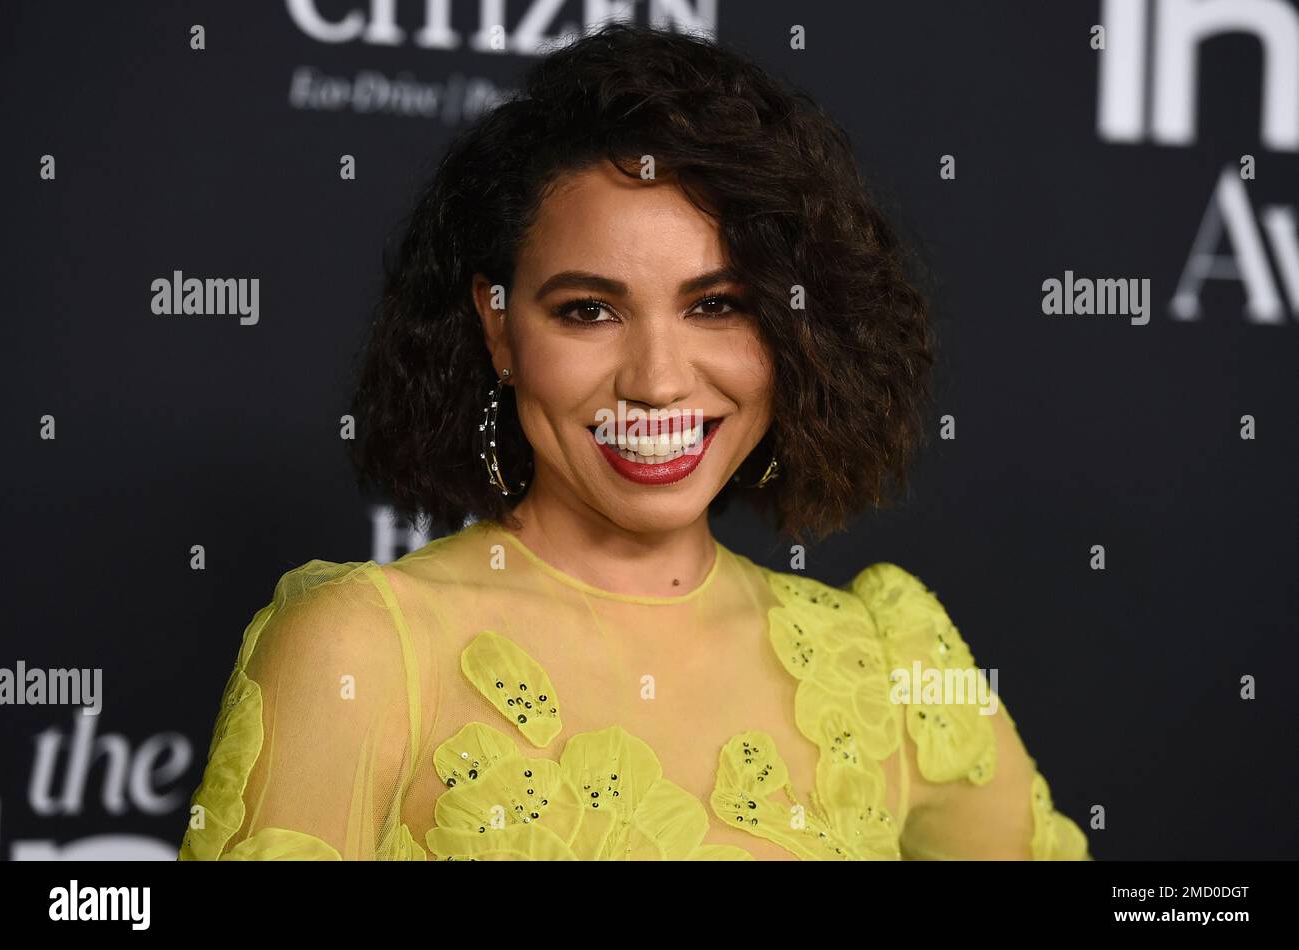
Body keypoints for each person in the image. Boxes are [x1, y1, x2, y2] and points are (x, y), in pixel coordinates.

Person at [179, 23, 1090, 861]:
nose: (656, 380)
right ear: (498, 331)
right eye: (588, 310)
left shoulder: (890, 663)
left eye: (716, 306)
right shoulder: (358, 654)